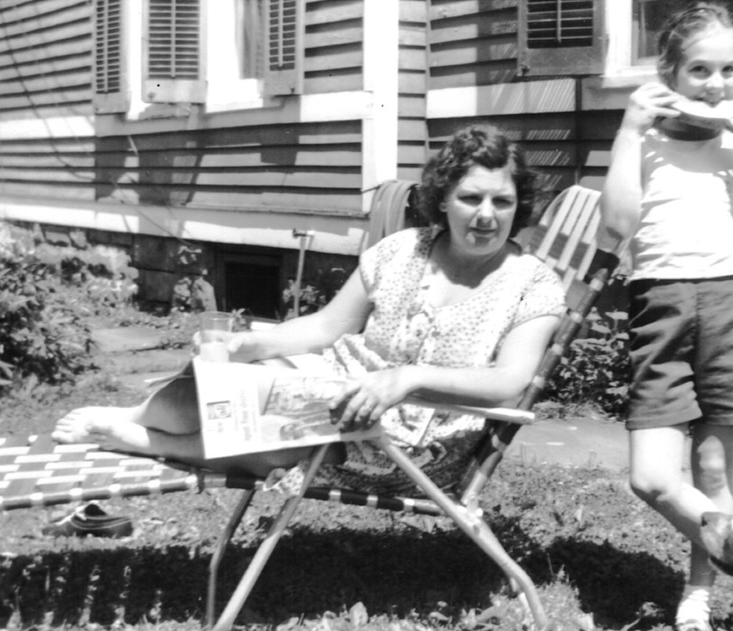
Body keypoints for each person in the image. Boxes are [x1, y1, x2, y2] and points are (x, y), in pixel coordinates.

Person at [53, 124, 567, 496]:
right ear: (444, 200)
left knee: (268, 422)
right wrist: (249, 343)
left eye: (501, 202)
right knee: (226, 371)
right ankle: (137, 417)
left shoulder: (533, 285)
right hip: (337, 393)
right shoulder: (405, 250)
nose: (485, 216)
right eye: (470, 198)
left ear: (518, 206)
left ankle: (143, 439)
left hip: (417, 444)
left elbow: (508, 381)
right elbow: (326, 327)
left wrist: (407, 379)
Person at [599, 4, 733, 631]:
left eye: (729, 69)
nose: (716, 84)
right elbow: (618, 227)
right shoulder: (643, 136)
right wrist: (627, 132)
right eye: (700, 70)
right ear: (669, 73)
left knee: (712, 468)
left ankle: (698, 596)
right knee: (652, 478)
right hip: (663, 303)